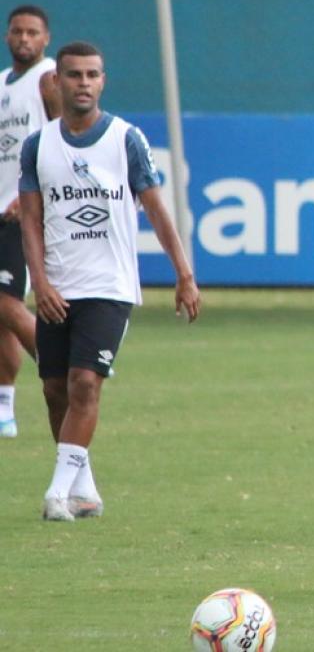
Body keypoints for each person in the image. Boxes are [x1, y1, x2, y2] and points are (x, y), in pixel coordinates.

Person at [18, 41, 200, 521]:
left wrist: (185, 275)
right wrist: (40, 281)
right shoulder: (39, 145)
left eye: (91, 75)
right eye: (73, 75)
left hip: (110, 285)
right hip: (57, 286)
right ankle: (85, 489)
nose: (82, 83)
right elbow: (31, 222)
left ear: (103, 81)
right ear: (56, 82)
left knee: (84, 383)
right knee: (55, 389)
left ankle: (58, 492)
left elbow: (158, 211)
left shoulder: (125, 139)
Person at [0, 5, 60, 437]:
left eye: (32, 32)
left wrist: (32, 194)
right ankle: (4, 407)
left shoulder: (49, 78)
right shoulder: (2, 83)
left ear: (46, 39)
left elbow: (65, 139)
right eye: (17, 31)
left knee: (4, 301)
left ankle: (65, 364)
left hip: (23, 213)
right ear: (7, 36)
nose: (24, 38)